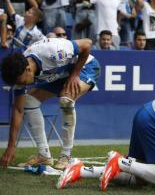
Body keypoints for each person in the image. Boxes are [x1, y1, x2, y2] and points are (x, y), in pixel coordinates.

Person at [0, 38, 99, 170]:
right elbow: (18, 110)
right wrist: (11, 147)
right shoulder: (19, 71)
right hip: (61, 74)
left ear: (28, 69)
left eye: (22, 82)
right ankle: (44, 155)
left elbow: (87, 43)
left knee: (66, 99)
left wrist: (75, 74)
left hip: (84, 67)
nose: (22, 85)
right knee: (28, 101)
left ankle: (66, 155)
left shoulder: (54, 51)